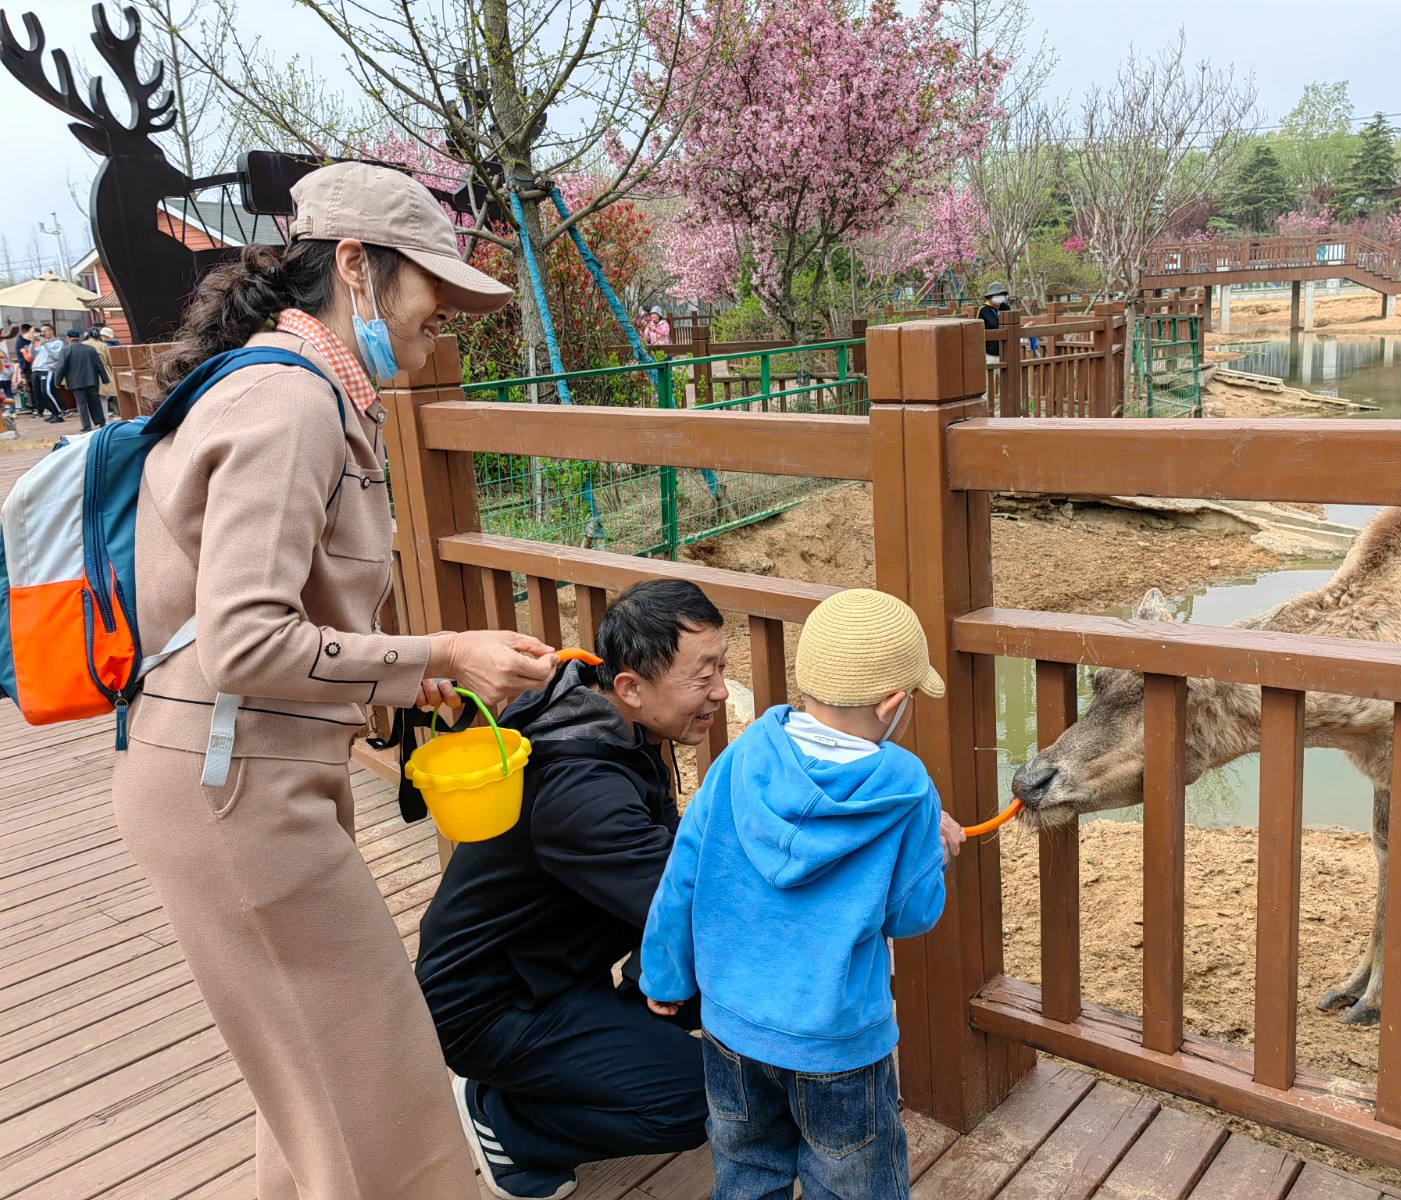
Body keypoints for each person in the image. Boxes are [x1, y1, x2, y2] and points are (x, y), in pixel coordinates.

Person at [111, 161, 551, 1200]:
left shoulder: (293, 388)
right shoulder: (290, 403)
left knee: (320, 1096)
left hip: (241, 771)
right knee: (381, 1102)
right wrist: (438, 653)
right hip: (234, 785)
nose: (436, 334)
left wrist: (403, 686)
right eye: (431, 305)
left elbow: (277, 629)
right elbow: (247, 641)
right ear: (354, 265)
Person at [640, 588, 964, 1200]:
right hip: (838, 1042)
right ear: (894, 704)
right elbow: (909, 914)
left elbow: (684, 873)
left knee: (746, 1171)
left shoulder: (740, 760)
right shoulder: (906, 790)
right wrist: (934, 858)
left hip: (732, 1030)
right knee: (850, 1184)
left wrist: (664, 975)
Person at [418, 579, 727, 1200]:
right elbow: (693, 907)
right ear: (630, 688)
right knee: (701, 1101)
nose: (720, 691)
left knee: (689, 987)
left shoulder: (596, 715)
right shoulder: (583, 795)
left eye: (722, 666)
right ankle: (507, 1119)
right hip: (491, 1006)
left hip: (546, 971)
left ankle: (569, 1065)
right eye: (703, 676)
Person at [58, 329, 110, 430]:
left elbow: (61, 367)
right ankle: (101, 422)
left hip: (76, 383)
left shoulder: (66, 350)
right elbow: (99, 364)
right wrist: (105, 379)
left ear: (68, 339)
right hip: (92, 380)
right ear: (79, 338)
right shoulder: (90, 349)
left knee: (82, 405)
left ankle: (86, 426)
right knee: (96, 402)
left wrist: (57, 381)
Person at [28, 323, 64, 423]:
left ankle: (59, 413)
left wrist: (46, 344)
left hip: (46, 369)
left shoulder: (58, 343)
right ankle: (53, 412)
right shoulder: (42, 343)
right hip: (36, 369)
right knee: (38, 393)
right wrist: (32, 343)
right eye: (41, 332)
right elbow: (33, 355)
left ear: (51, 331)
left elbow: (56, 356)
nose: (42, 334)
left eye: (44, 331)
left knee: (46, 391)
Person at [84, 325, 119, 419]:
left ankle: (98, 416)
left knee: (93, 396)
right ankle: (108, 414)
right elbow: (109, 360)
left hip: (87, 371)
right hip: (103, 370)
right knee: (107, 393)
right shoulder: (103, 345)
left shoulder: (83, 344)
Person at [978, 281, 1010, 365]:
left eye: (1001, 294)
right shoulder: (983, 310)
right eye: (996, 295)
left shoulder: (1006, 308)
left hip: (1006, 351)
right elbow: (979, 331)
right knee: (989, 376)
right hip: (990, 352)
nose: (999, 297)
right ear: (990, 297)